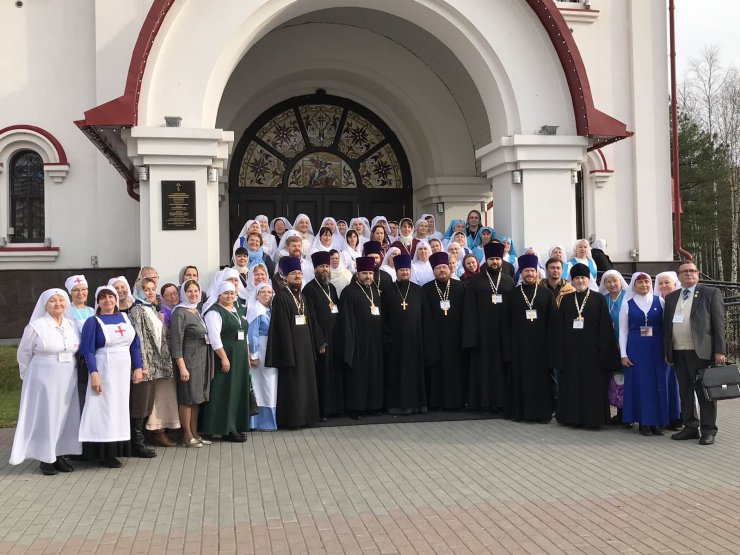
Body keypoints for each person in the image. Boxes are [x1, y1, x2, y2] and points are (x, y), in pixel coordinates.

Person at [11, 289, 82, 475]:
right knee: (46, 415)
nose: (57, 304)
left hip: (67, 377)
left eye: (61, 300)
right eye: (52, 300)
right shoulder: (36, 326)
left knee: (64, 415)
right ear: (45, 305)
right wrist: (26, 376)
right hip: (42, 378)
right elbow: (23, 354)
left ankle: (59, 454)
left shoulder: (71, 325)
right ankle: (45, 458)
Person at [78, 286, 143, 468]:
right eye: (103, 297)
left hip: (122, 372)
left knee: (118, 408)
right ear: (97, 302)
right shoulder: (92, 322)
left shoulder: (125, 318)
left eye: (111, 297)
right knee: (102, 409)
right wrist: (94, 374)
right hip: (104, 369)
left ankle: (117, 449)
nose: (108, 300)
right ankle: (102, 453)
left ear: (116, 299)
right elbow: (88, 350)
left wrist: (138, 367)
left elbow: (135, 345)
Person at [663, 261, 726, 445]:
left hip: (701, 352)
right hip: (678, 352)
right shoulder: (672, 297)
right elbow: (667, 327)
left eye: (692, 270)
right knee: (685, 392)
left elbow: (718, 324)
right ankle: (690, 427)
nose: (689, 273)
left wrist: (719, 350)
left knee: (704, 393)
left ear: (698, 274)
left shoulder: (710, 293)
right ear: (678, 275)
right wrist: (667, 351)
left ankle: (708, 430)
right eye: (684, 271)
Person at [556, 264, 619, 429]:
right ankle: (572, 418)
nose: (580, 281)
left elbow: (605, 327)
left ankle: (593, 420)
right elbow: (560, 327)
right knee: (572, 385)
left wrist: (603, 352)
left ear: (588, 279)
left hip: (592, 352)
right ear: (572, 281)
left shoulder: (598, 298)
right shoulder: (566, 299)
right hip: (571, 352)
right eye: (576, 278)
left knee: (592, 386)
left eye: (583, 278)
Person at [619, 273, 680, 436]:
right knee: (641, 384)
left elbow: (667, 327)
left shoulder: (660, 301)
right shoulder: (627, 304)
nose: (644, 285)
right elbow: (623, 331)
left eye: (646, 282)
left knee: (658, 383)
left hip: (657, 348)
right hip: (636, 349)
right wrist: (623, 354)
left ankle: (657, 422)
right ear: (634, 285)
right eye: (640, 283)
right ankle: (643, 422)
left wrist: (668, 351)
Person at [265, 256, 322, 428]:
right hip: (291, 351)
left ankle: (307, 418)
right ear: (285, 277)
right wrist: (288, 354)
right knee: (294, 386)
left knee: (306, 384)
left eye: (299, 273)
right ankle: (293, 420)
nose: (297, 276)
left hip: (305, 348)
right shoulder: (281, 297)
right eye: (293, 273)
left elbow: (309, 322)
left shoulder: (302, 296)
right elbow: (281, 328)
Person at [462, 242, 514, 413]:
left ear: (501, 260)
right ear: (486, 260)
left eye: (497, 259)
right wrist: (471, 337)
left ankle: (502, 403)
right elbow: (469, 311)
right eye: (491, 259)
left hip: (503, 334)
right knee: (482, 369)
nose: (495, 262)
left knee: (500, 370)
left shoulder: (509, 281)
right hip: (482, 335)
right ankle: (482, 403)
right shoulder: (475, 281)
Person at [507, 254, 560, 423]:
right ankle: (521, 413)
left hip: (541, 347)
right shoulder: (512, 295)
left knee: (541, 380)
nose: (529, 274)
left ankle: (542, 413)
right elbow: (506, 322)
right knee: (521, 379)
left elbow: (554, 322)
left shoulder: (546, 294)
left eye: (532, 271)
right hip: (519, 347)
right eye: (526, 271)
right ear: (521, 273)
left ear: (537, 272)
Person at [130, 278, 179, 450]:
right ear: (138, 291)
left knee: (147, 403)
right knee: (140, 403)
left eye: (153, 289)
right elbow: (139, 339)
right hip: (145, 365)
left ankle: (142, 440)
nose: (150, 292)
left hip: (154, 364)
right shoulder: (137, 311)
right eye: (146, 289)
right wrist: (142, 365)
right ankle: (137, 442)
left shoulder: (150, 308)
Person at [380, 254, 431, 415]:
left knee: (415, 373)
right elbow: (383, 317)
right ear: (396, 271)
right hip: (395, 341)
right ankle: (396, 405)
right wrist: (387, 338)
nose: (405, 273)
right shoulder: (388, 291)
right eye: (402, 270)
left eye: (407, 270)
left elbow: (425, 316)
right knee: (396, 373)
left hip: (416, 341)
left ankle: (417, 405)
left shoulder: (418, 290)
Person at [201, 282, 251, 442]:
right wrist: (223, 358)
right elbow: (214, 337)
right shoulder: (214, 312)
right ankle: (223, 428)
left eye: (232, 293)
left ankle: (234, 425)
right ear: (219, 294)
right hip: (225, 356)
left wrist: (247, 356)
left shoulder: (237, 310)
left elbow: (245, 334)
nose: (229, 296)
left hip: (239, 356)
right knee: (224, 391)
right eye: (226, 293)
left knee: (236, 390)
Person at [337, 256, 384, 419]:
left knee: (373, 373)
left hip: (374, 341)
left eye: (370, 273)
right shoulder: (348, 292)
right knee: (357, 376)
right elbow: (346, 321)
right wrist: (350, 343)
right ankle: (355, 408)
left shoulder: (375, 291)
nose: (368, 276)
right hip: (357, 342)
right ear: (357, 274)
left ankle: (373, 405)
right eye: (364, 273)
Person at [422, 252, 466, 410]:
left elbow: (465, 312)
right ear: (433, 270)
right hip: (435, 337)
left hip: (455, 336)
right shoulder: (426, 289)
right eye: (438, 268)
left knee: (455, 369)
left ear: (450, 269)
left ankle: (456, 403)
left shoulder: (460, 286)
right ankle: (436, 403)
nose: (442, 270)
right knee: (437, 370)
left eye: (444, 267)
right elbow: (425, 315)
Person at [302, 251, 343, 420]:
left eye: (327, 266)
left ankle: (335, 408)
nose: (325, 269)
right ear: (315, 269)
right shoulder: (309, 289)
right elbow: (311, 317)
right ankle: (322, 411)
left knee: (335, 372)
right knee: (323, 375)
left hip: (335, 337)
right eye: (321, 266)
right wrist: (320, 341)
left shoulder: (331, 288)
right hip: (322, 340)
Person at [170, 280, 211, 447]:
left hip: (201, 358)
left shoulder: (197, 310)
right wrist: (182, 367)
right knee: (187, 398)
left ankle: (195, 433)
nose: (193, 294)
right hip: (188, 359)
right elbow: (176, 343)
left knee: (197, 398)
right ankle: (187, 436)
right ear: (183, 293)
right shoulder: (179, 313)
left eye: (196, 291)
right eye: (189, 291)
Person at [246, 283, 278, 431]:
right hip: (262, 351)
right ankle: (259, 421)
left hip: (271, 350)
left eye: (269, 292)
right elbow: (252, 334)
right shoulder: (256, 311)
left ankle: (269, 420)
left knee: (270, 385)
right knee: (261, 385)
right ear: (257, 295)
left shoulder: (270, 310)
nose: (267, 295)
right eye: (263, 292)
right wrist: (253, 355)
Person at [599, 269, 629, 425]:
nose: (612, 284)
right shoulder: (602, 299)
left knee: (627, 379)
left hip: (626, 344)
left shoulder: (628, 297)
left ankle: (628, 413)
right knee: (615, 379)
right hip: (609, 345)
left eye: (614, 281)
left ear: (620, 282)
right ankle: (618, 412)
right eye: (608, 282)